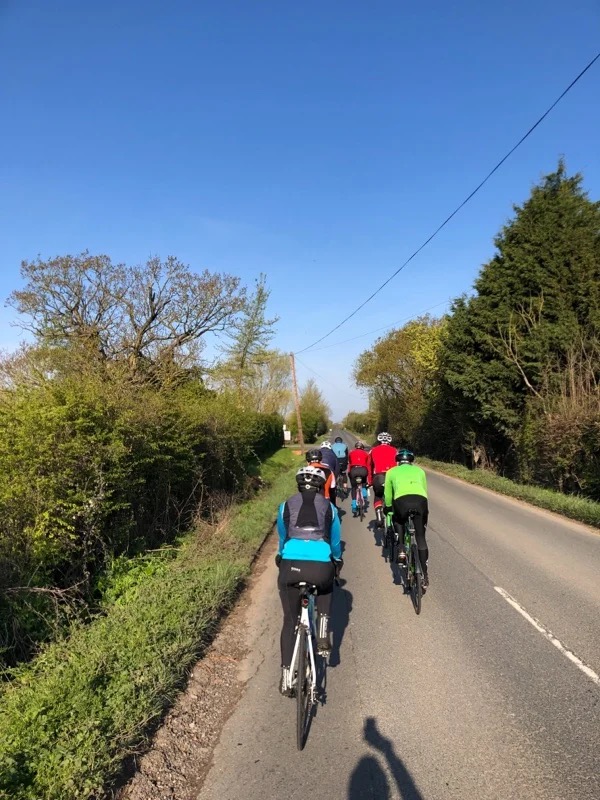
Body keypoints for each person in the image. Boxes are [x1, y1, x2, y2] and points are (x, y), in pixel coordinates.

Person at [276, 465, 343, 696]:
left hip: (290, 565)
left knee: (289, 621)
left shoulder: (285, 505)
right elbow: (335, 543)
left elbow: (283, 537)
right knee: (326, 584)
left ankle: (286, 679)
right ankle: (323, 631)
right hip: (319, 566)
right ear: (320, 486)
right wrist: (336, 561)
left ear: (298, 485)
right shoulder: (330, 508)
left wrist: (281, 556)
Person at [384, 448, 430, 586]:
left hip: (401, 501)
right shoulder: (420, 471)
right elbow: (424, 489)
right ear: (411, 461)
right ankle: (424, 574)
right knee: (421, 538)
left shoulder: (391, 471)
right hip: (421, 501)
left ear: (397, 461)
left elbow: (388, 494)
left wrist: (387, 507)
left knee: (398, 519)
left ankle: (402, 549)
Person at [369, 432, 397, 525]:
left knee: (378, 495)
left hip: (379, 476)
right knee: (394, 497)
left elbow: (370, 466)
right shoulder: (394, 450)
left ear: (379, 440)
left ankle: (379, 516)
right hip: (392, 476)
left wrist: (370, 481)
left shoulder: (373, 450)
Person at [348, 441, 371, 517]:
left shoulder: (351, 453)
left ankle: (354, 504)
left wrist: (349, 473)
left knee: (354, 488)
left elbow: (350, 464)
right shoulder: (366, 454)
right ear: (362, 447)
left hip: (354, 470)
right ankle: (364, 492)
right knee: (363, 481)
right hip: (363, 470)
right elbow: (368, 466)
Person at [319, 441, 339, 505]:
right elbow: (337, 468)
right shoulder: (333, 454)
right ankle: (333, 507)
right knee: (332, 491)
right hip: (329, 473)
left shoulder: (318, 452)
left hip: (318, 474)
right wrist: (335, 478)